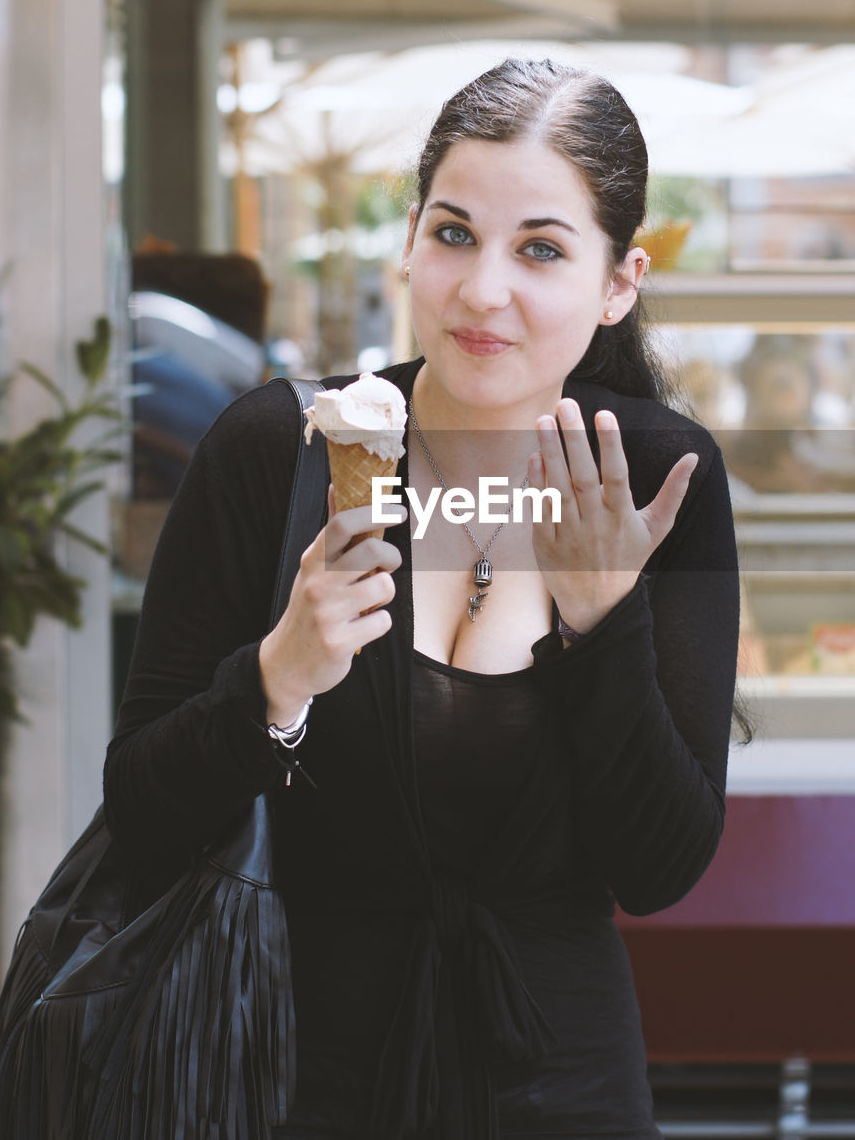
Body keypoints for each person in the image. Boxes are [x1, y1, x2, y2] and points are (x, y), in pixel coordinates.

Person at [103, 57, 744, 1140]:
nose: (482, 288)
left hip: (563, 1081)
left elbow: (660, 864)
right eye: (453, 233)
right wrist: (277, 680)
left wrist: (604, 620)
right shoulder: (285, 450)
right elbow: (142, 806)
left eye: (540, 248)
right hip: (288, 1067)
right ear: (408, 239)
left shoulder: (656, 477)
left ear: (618, 281)